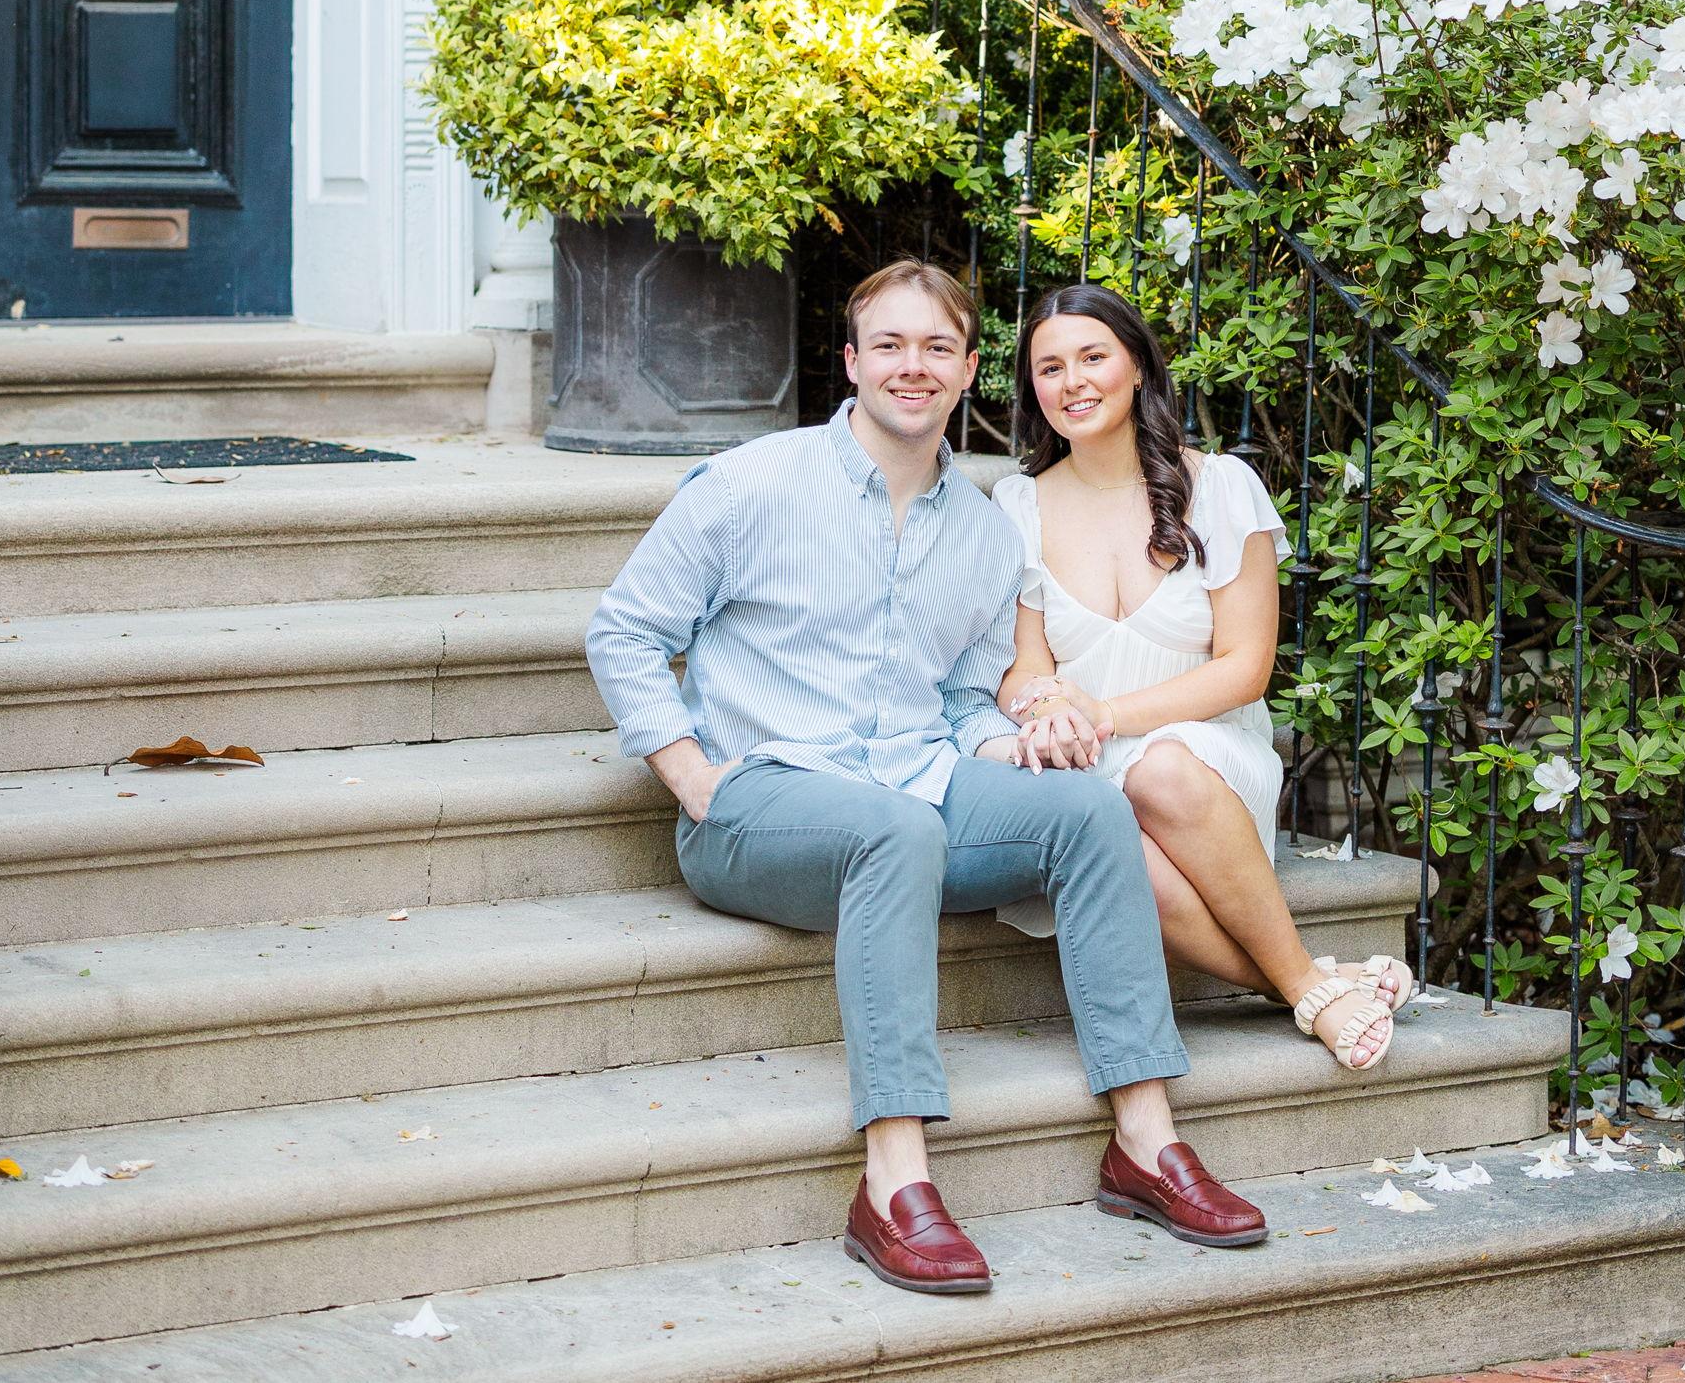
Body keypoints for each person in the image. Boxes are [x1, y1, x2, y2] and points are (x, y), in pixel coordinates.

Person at [585, 260, 1266, 1299]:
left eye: (937, 348)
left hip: (916, 779)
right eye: (890, 346)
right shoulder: (750, 484)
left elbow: (958, 699)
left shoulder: (985, 531)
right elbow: (624, 633)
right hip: (759, 803)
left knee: (1084, 810)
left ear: (967, 371)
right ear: (851, 362)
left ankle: (1143, 1140)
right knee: (891, 832)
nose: (914, 367)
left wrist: (1010, 748)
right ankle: (892, 1179)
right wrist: (689, 776)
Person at [991, 283, 1415, 1073]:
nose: (1072, 382)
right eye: (1049, 368)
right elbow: (1026, 663)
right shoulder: (1019, 504)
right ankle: (1315, 983)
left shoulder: (1219, 486)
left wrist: (1105, 712)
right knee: (1112, 855)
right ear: (1032, 389)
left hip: (1210, 762)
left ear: (1140, 369)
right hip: (1088, 762)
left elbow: (1247, 669)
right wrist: (1043, 707)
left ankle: (1303, 987)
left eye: (1093, 357)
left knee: (1163, 771)